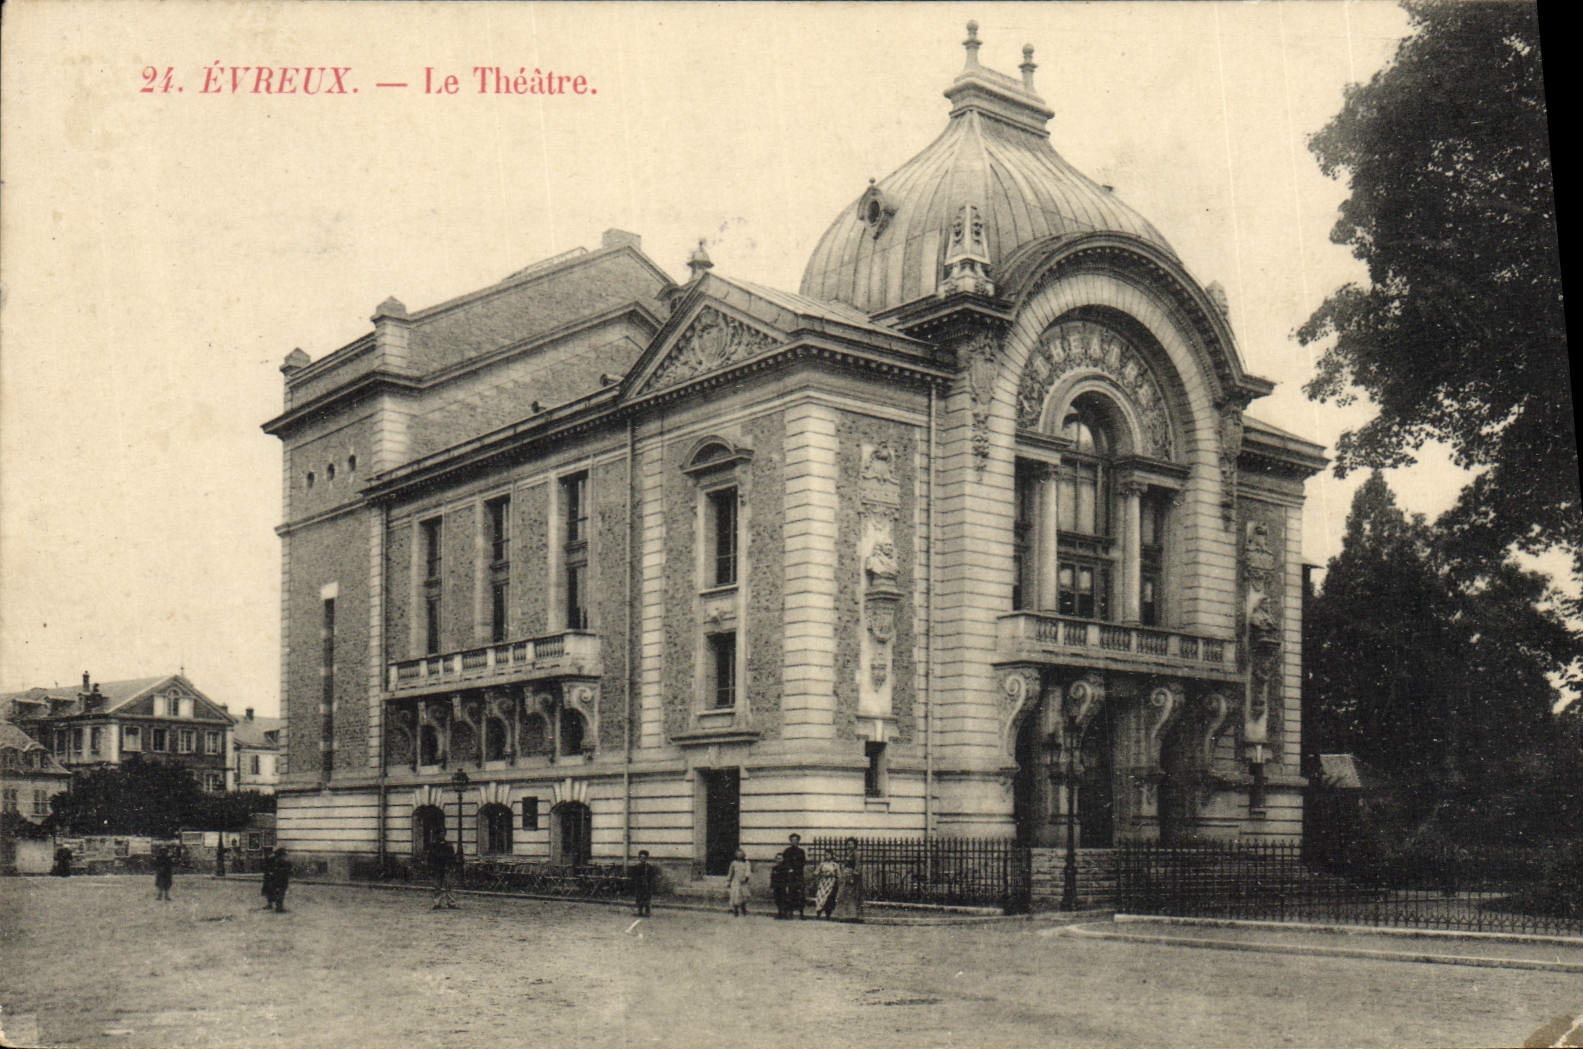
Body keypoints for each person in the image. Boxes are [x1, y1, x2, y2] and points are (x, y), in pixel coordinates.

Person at [833, 837, 865, 923]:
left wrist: (854, 876)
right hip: (845, 876)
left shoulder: (857, 853)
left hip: (852, 876)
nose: (849, 845)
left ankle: (854, 915)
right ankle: (845, 915)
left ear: (855, 845)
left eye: (851, 844)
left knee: (853, 895)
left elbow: (858, 865)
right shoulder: (848, 853)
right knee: (844, 895)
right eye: (848, 844)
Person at [428, 837, 458, 910]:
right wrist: (431, 868)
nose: (440, 835)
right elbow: (430, 858)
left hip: (447, 868)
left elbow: (452, 857)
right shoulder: (433, 846)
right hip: (437, 868)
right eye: (438, 833)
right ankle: (437, 903)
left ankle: (451, 903)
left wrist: (451, 866)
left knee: (449, 886)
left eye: (442, 833)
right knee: (437, 886)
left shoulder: (448, 845)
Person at [782, 833, 807, 918]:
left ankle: (801, 913)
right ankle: (790, 912)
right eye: (792, 840)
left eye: (796, 840)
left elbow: (803, 863)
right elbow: (784, 862)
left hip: (799, 875)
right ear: (790, 841)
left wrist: (796, 869)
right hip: (789, 876)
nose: (794, 842)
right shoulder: (787, 851)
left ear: (798, 841)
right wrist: (788, 869)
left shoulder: (801, 851)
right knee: (790, 894)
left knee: (800, 894)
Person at [813, 848, 841, 919]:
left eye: (828, 855)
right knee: (820, 896)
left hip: (831, 883)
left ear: (831, 855)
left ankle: (828, 914)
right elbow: (816, 872)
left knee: (829, 898)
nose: (827, 856)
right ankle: (818, 913)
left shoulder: (835, 865)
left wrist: (832, 874)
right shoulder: (822, 864)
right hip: (823, 883)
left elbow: (839, 875)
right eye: (825, 855)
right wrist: (822, 874)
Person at [261, 847, 291, 912]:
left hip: (278, 879)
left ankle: (276, 906)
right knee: (277, 892)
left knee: (277, 892)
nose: (285, 856)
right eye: (284, 855)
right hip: (276, 880)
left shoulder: (282, 861)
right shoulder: (274, 860)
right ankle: (278, 907)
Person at [726, 848, 752, 917]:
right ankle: (735, 910)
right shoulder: (734, 863)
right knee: (735, 896)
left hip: (743, 881)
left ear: (743, 855)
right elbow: (730, 872)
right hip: (736, 881)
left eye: (741, 854)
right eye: (738, 854)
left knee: (744, 896)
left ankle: (743, 909)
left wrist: (746, 879)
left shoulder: (746, 863)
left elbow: (748, 871)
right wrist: (729, 881)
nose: (739, 856)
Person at [630, 849, 657, 917]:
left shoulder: (649, 867)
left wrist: (650, 883)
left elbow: (652, 876)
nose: (643, 859)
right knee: (639, 898)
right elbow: (634, 876)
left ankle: (647, 911)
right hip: (639, 885)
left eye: (644, 858)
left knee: (647, 898)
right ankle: (640, 911)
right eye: (641, 858)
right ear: (639, 859)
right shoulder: (636, 867)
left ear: (646, 859)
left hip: (647, 885)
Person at [769, 851, 790, 919]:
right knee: (777, 899)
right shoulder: (774, 867)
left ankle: (785, 913)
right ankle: (780, 912)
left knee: (784, 899)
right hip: (776, 885)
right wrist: (771, 886)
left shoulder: (785, 868)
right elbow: (772, 877)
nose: (779, 860)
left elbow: (788, 877)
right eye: (777, 858)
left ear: (783, 859)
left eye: (780, 858)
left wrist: (787, 885)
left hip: (783, 885)